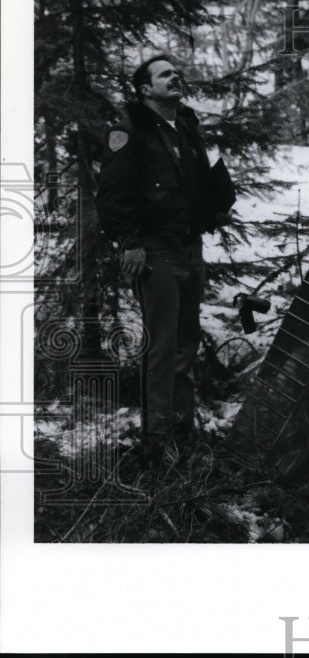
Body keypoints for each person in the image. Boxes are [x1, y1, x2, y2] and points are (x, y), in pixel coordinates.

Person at [97, 54, 225, 460]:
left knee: (186, 343)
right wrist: (131, 242)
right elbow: (113, 197)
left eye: (177, 72)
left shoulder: (185, 126)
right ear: (145, 89)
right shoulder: (129, 131)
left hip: (190, 247)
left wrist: (214, 205)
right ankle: (156, 441)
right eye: (165, 74)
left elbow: (196, 183)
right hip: (155, 250)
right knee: (163, 348)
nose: (176, 77)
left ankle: (182, 433)